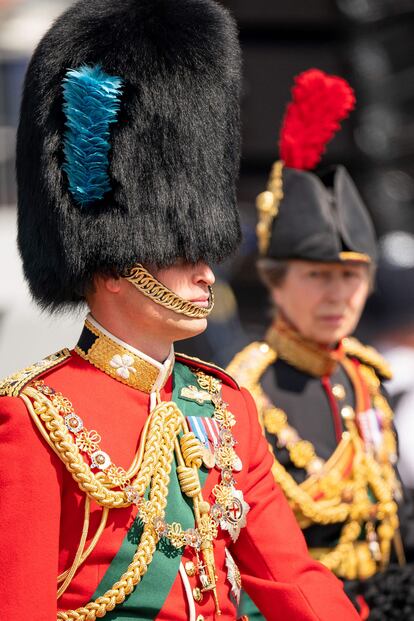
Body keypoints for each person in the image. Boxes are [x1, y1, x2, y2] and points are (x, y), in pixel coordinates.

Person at [0, 3, 360, 620]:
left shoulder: (226, 406)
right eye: (178, 253)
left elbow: (289, 578)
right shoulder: (33, 416)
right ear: (114, 265)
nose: (206, 271)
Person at [228, 69, 409, 620]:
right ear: (275, 281)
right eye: (316, 276)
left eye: (351, 277)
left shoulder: (364, 377)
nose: (338, 295)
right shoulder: (244, 391)